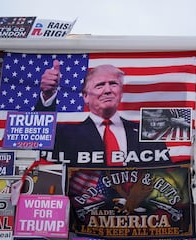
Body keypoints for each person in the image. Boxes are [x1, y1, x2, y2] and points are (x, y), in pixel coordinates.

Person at [37, 60, 171, 167]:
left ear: (121, 92)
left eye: (113, 84)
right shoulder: (66, 134)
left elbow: (165, 172)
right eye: (99, 85)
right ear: (85, 97)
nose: (107, 90)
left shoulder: (147, 133)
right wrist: (47, 96)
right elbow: (40, 138)